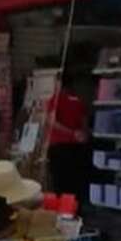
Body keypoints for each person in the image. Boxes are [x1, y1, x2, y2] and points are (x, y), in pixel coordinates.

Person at [46, 72, 90, 204]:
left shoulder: (55, 100)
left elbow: (51, 121)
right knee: (76, 182)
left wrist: (70, 133)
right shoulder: (78, 100)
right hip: (76, 147)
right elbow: (84, 123)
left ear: (59, 84)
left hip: (59, 147)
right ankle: (77, 209)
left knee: (61, 184)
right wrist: (81, 134)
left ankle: (65, 212)